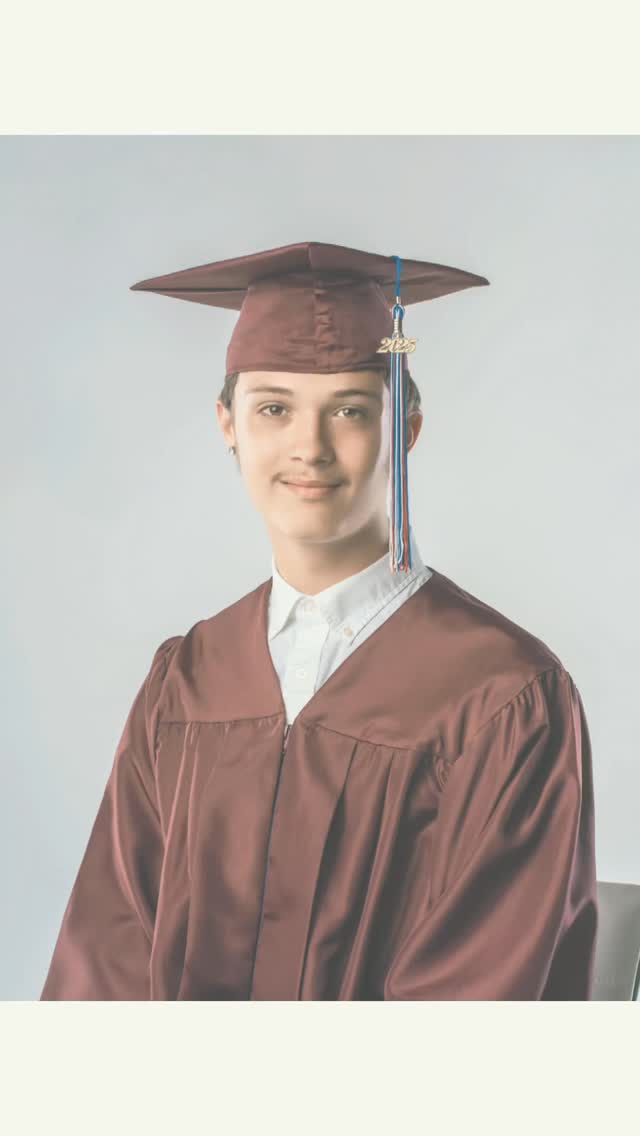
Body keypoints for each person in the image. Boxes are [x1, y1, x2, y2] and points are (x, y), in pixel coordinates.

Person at [40, 240, 598, 1000]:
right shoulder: (188, 679)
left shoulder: (501, 695)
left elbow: (474, 1011)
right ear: (227, 424)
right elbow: (105, 962)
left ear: (406, 430)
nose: (309, 447)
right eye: (273, 407)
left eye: (350, 410)